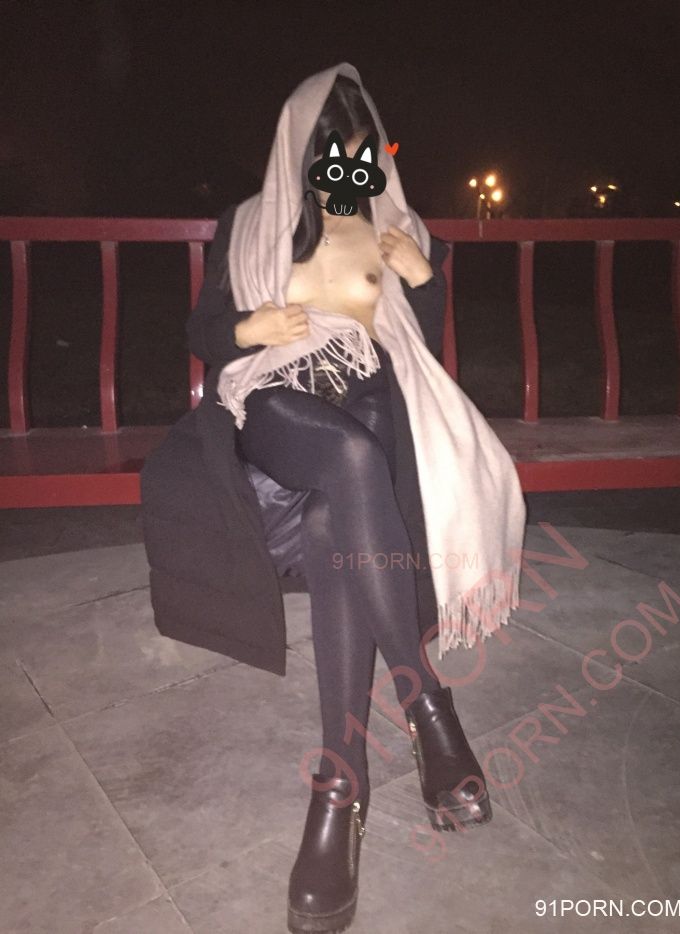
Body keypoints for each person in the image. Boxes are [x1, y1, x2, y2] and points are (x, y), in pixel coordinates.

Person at [143, 63, 526, 934]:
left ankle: (340, 782)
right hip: (277, 402)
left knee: (336, 508)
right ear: (301, 151)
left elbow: (420, 352)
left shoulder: (396, 229)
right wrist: (249, 328)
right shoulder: (250, 223)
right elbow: (204, 331)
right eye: (334, 157)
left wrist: (421, 278)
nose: (351, 171)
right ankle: (427, 704)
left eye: (364, 155)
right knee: (343, 456)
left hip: (368, 398)